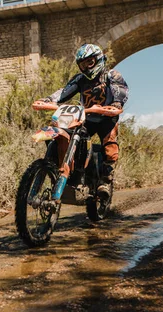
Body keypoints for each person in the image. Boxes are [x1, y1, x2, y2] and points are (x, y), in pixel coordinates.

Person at [40, 43, 129, 198]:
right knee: (66, 132)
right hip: (86, 117)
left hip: (107, 117)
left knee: (109, 143)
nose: (87, 66)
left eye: (90, 62)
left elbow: (119, 90)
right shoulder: (80, 79)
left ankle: (105, 181)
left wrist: (116, 103)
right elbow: (64, 92)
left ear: (98, 60)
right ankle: (69, 170)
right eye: (83, 64)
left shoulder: (111, 75)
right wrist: (48, 99)